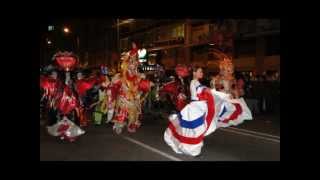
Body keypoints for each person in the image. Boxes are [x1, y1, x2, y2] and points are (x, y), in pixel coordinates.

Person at [164, 58, 252, 156]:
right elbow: (206, 92)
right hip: (196, 108)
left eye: (202, 71)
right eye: (200, 71)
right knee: (196, 130)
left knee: (198, 129)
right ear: (194, 73)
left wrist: (221, 95)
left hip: (199, 107)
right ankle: (193, 150)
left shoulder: (196, 82)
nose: (202, 73)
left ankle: (192, 149)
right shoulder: (194, 82)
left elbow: (207, 92)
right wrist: (222, 95)